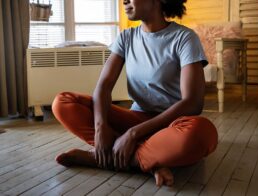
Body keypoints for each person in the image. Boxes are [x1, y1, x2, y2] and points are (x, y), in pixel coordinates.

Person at [52, 0, 218, 187]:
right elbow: (104, 86)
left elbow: (193, 103)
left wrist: (132, 134)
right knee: (63, 102)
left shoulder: (184, 38)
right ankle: (147, 161)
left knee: (201, 133)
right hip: (136, 118)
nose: (124, 1)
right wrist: (100, 127)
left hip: (171, 125)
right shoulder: (126, 37)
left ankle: (102, 158)